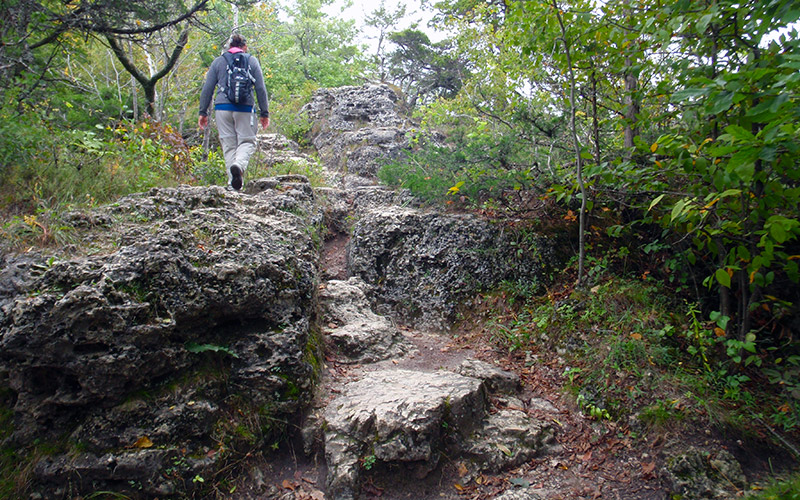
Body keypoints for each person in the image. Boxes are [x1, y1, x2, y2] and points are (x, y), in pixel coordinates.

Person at [198, 34, 270, 191]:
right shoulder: (251, 60)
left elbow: (208, 88)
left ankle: (233, 185)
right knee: (247, 141)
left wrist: (203, 112)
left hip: (222, 108)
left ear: (229, 46)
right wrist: (265, 113)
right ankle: (239, 165)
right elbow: (260, 88)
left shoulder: (219, 61)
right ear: (244, 47)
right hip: (245, 108)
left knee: (229, 145)